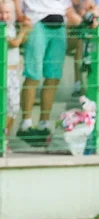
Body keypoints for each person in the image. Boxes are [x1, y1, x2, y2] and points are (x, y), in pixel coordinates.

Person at [16, 0, 77, 147]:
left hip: (59, 24)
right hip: (37, 21)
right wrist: (20, 15)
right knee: (33, 74)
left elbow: (68, 6)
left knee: (53, 77)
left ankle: (44, 122)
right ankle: (26, 122)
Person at [3, 0, 32, 145]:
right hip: (4, 74)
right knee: (5, 107)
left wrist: (25, 29)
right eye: (1, 13)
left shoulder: (13, 27)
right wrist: (24, 31)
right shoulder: (2, 29)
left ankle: (5, 139)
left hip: (14, 73)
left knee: (13, 107)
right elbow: (13, 42)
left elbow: (21, 41)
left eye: (7, 12)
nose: (4, 16)